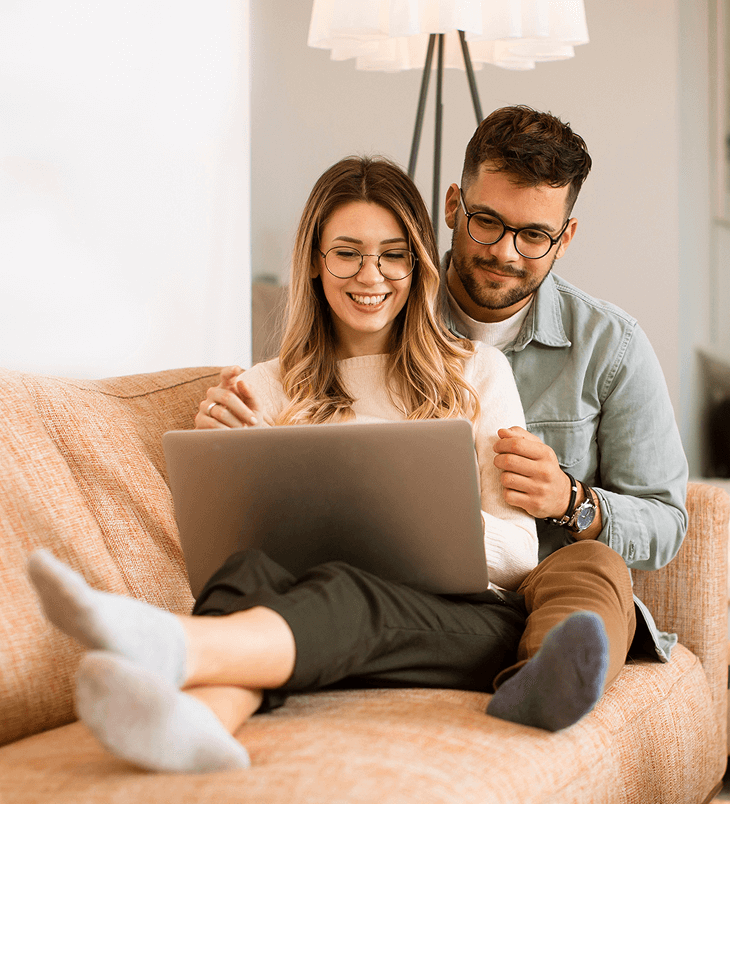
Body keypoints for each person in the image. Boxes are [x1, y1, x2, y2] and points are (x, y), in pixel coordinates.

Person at [26, 156, 617, 775]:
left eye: (394, 254)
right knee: (249, 571)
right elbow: (231, 553)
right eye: (347, 252)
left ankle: (170, 643)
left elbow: (522, 552)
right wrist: (229, 460)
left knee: (347, 589)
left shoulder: (474, 373)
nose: (372, 275)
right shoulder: (264, 387)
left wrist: (385, 516)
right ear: (315, 258)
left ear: (418, 265)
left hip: (465, 621)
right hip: (316, 608)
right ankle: (201, 721)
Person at [200, 107, 691, 708]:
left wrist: (573, 502)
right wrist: (224, 452)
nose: (506, 252)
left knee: (587, 564)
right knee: (262, 578)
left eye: (534, 235)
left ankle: (551, 674)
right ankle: (196, 701)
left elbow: (666, 522)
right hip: (388, 592)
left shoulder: (605, 347)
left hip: (534, 579)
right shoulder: (385, 306)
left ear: (565, 236)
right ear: (454, 206)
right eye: (487, 222)